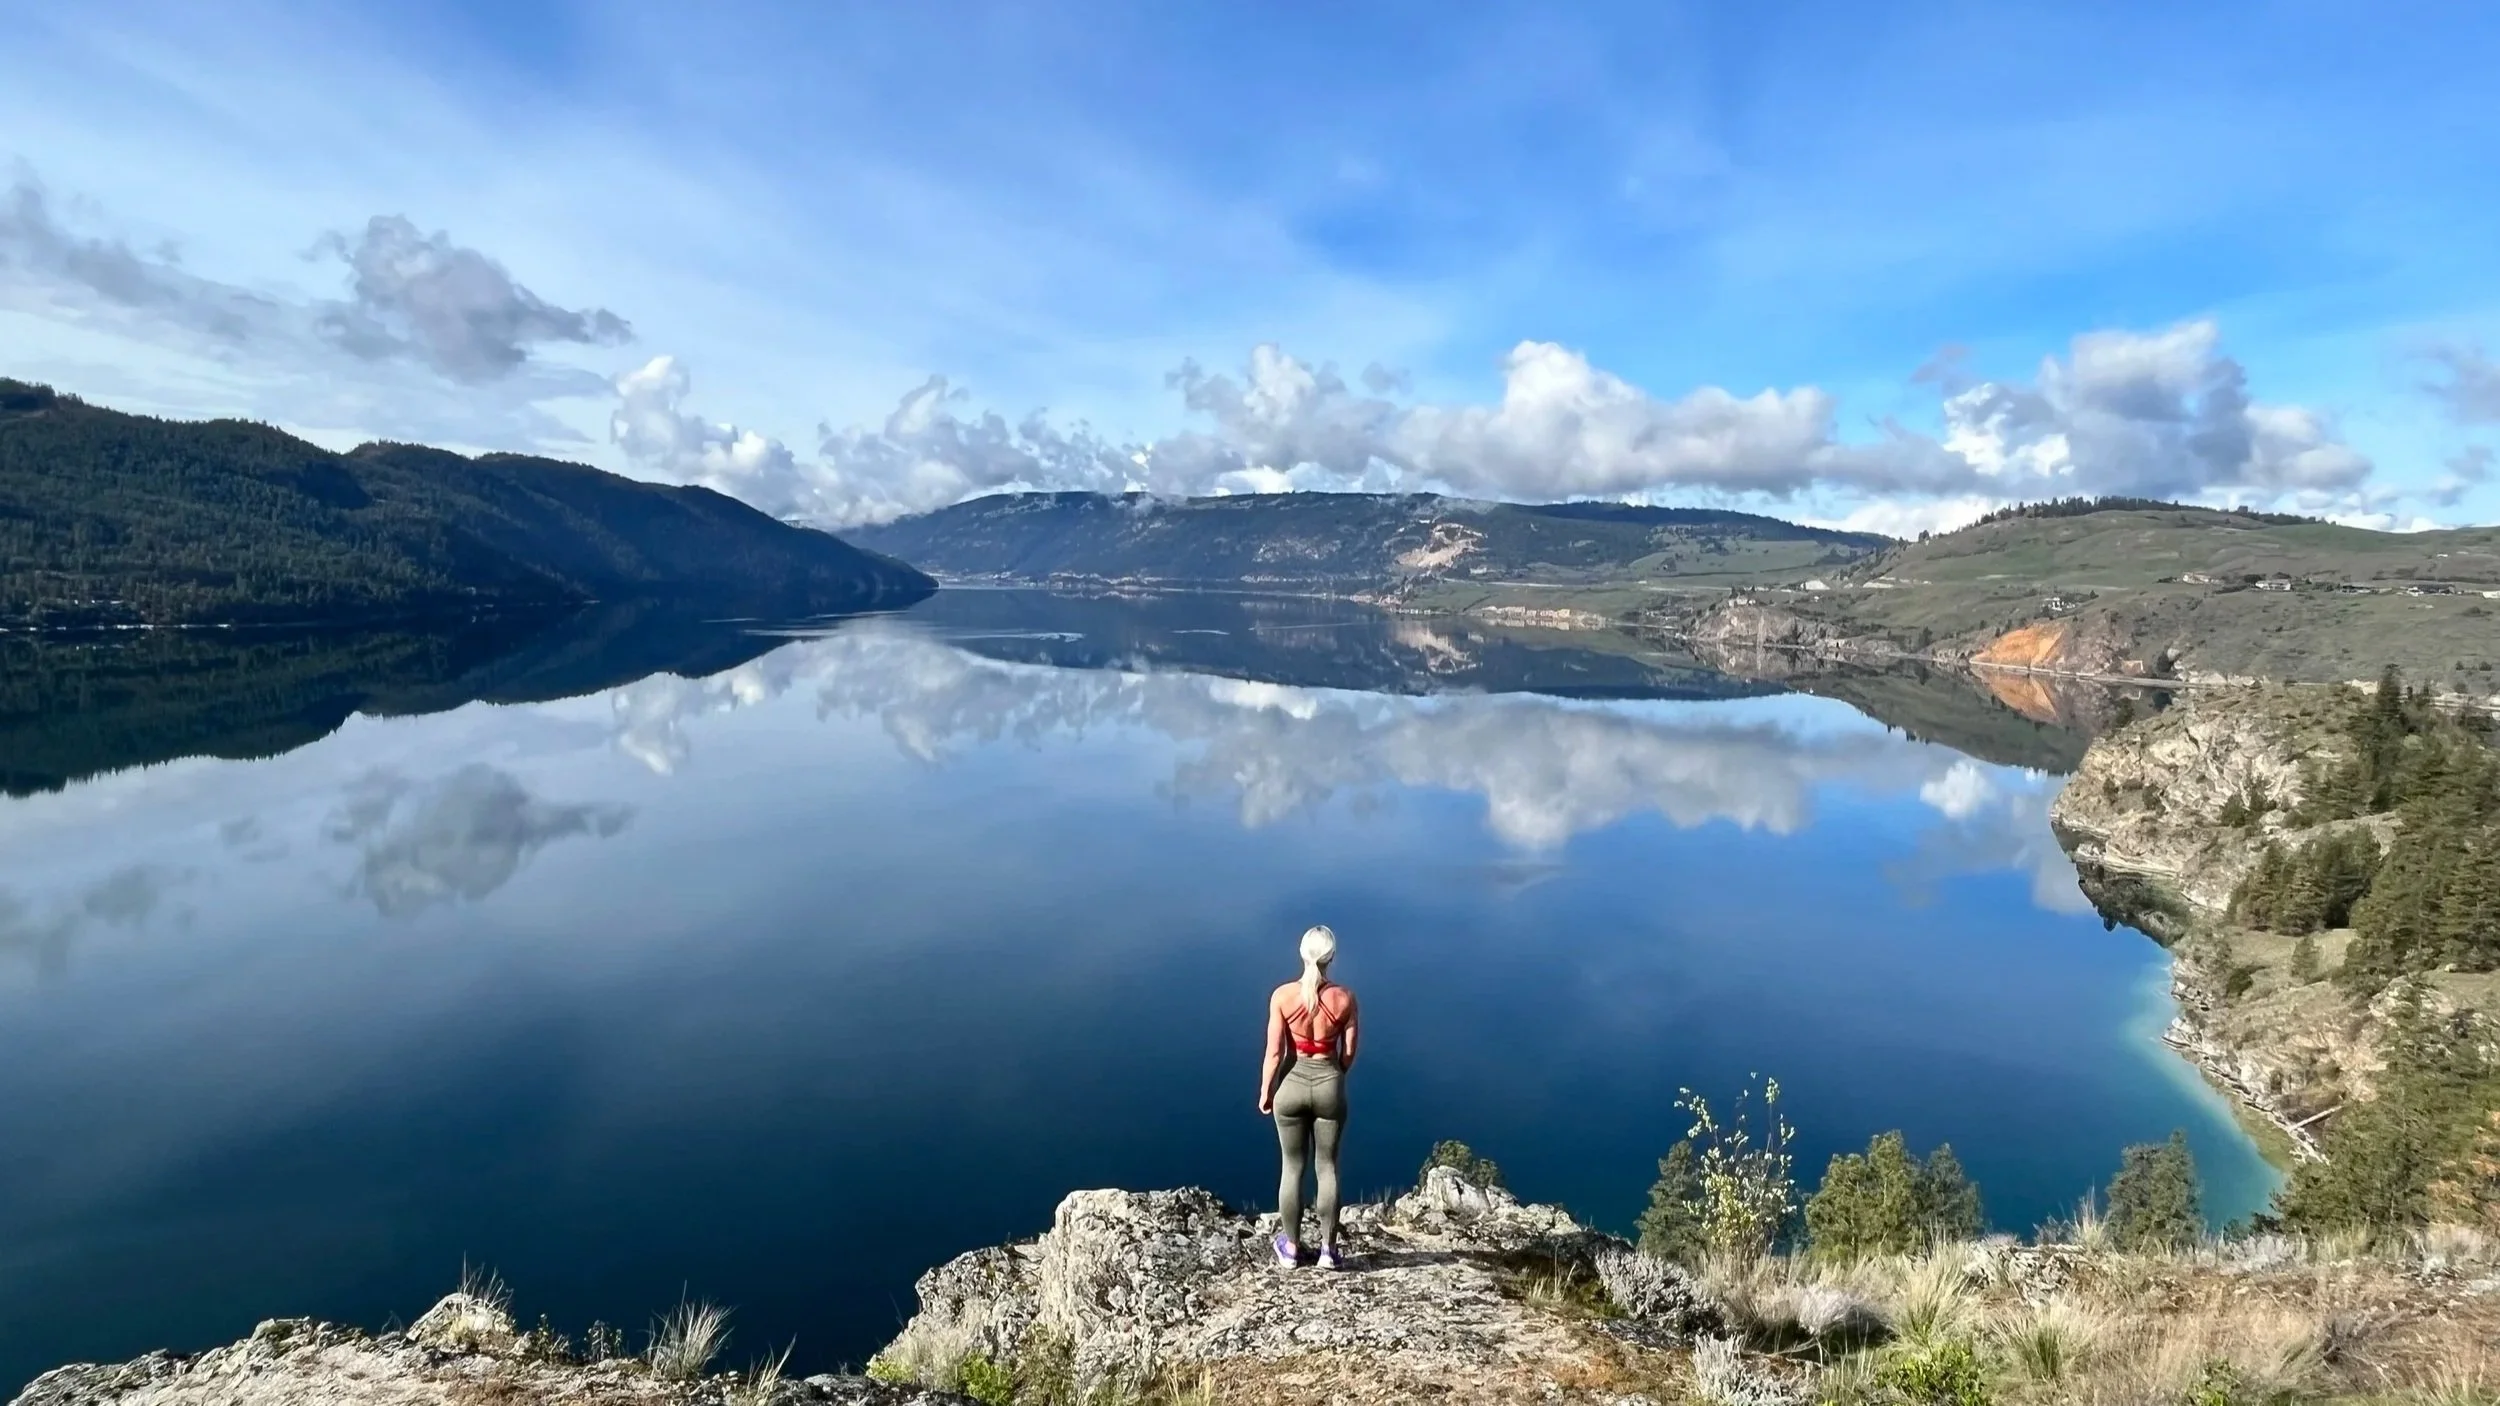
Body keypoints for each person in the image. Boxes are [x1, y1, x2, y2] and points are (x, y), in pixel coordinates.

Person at [1259, 924, 1360, 1269]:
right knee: (1327, 1166)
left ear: (1302, 954)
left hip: (1290, 1085)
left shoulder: (1282, 996)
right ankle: (1328, 1251)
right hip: (1329, 1084)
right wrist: (1334, 1074)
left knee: (1292, 1167)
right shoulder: (1345, 998)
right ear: (1331, 958)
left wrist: (1266, 1090)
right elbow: (1348, 1053)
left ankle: (1290, 1249)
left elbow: (1274, 1053)